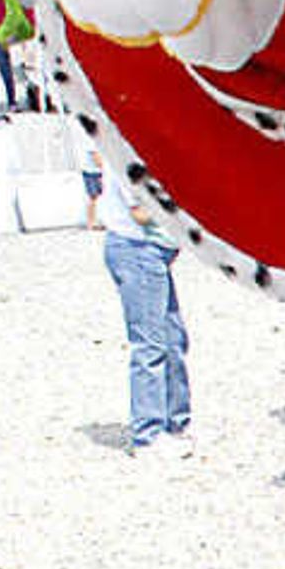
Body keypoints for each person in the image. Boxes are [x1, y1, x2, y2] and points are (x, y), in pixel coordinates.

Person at [96, 150, 193, 451]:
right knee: (150, 344)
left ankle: (176, 422)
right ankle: (148, 433)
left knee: (174, 340)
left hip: (153, 252)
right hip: (138, 249)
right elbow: (143, 212)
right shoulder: (129, 151)